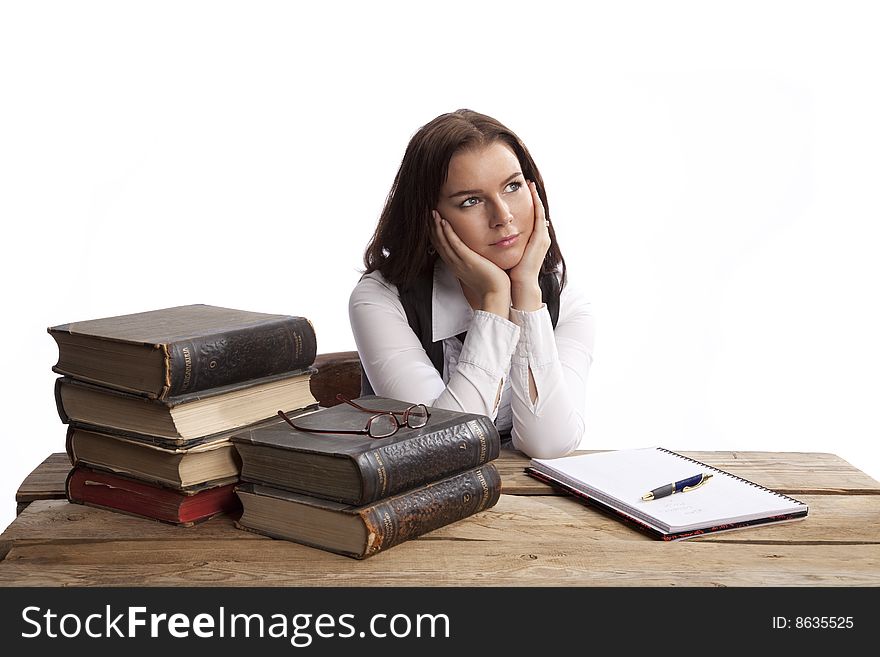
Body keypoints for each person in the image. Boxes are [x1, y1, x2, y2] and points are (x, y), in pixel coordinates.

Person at [349, 109, 594, 458]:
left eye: (512, 187)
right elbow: (444, 450)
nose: (503, 216)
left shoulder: (564, 302)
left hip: (524, 501)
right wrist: (495, 301)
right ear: (430, 220)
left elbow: (549, 443)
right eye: (471, 201)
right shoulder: (380, 300)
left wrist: (524, 294)